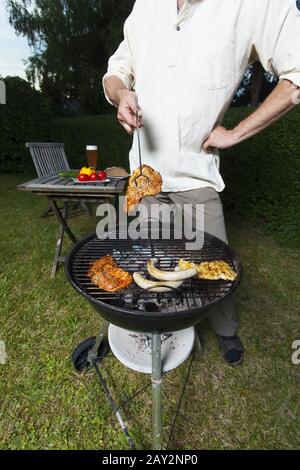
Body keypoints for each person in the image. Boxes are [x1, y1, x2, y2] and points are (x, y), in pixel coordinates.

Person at [103, 0, 300, 366]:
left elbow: (297, 69)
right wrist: (121, 95)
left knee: (216, 269)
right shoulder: (146, 6)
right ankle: (160, 325)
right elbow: (117, 71)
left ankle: (226, 331)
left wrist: (237, 132)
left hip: (197, 177)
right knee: (151, 264)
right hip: (145, 180)